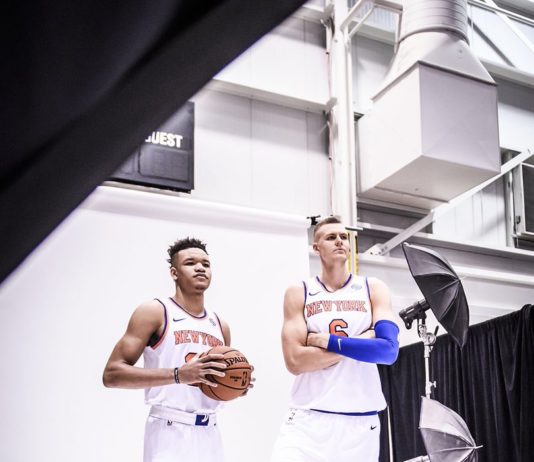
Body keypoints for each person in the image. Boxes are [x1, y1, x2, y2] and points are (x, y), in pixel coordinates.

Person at [103, 237, 248, 462]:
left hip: (210, 433)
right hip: (169, 431)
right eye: (190, 263)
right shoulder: (155, 311)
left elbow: (215, 382)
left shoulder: (220, 324)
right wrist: (178, 375)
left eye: (206, 264)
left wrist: (235, 383)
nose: (200, 268)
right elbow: (112, 374)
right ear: (174, 273)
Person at [271, 216, 399, 462]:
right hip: (308, 418)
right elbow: (295, 361)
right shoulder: (300, 292)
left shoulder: (373, 288)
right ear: (316, 247)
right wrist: (362, 340)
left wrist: (327, 342)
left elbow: (388, 351)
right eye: (331, 237)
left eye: (343, 237)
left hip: (359, 422)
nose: (339, 241)